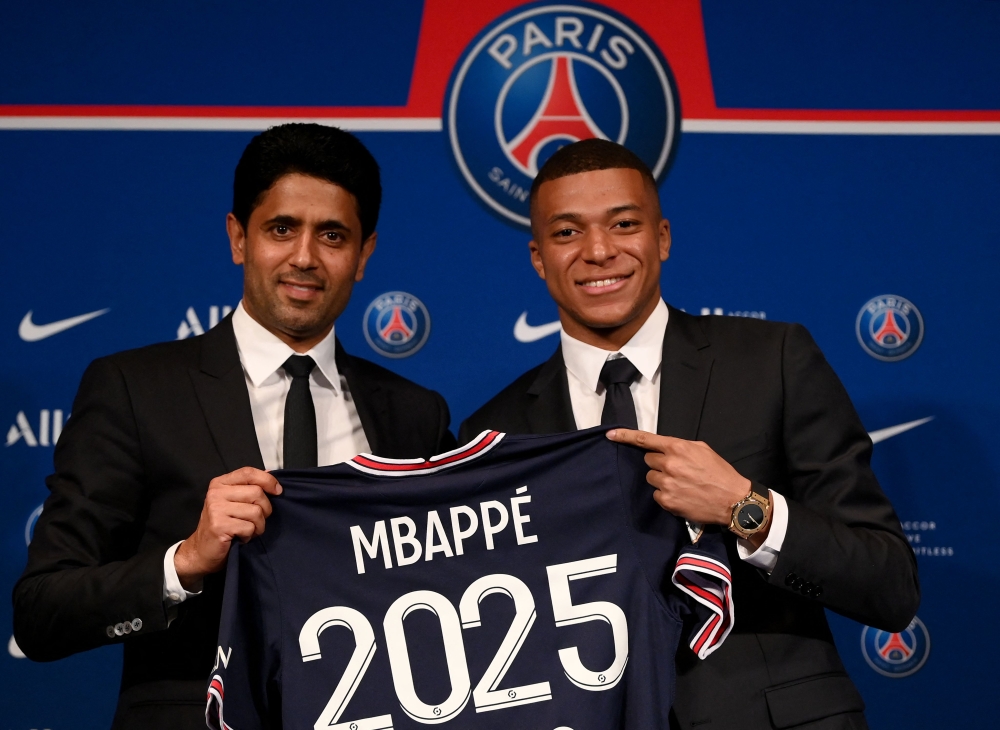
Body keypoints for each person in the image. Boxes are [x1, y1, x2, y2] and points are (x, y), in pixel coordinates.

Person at [459, 139, 919, 730]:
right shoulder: (491, 432)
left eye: (624, 224)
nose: (599, 251)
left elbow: (890, 586)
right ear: (538, 257)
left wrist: (744, 508)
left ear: (663, 238)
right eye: (567, 233)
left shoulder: (772, 360)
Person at [13, 123, 456, 730]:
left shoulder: (415, 415)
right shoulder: (136, 391)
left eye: (332, 235)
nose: (305, 256)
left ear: (364, 255)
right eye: (281, 229)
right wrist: (185, 562)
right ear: (237, 238)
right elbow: (40, 614)